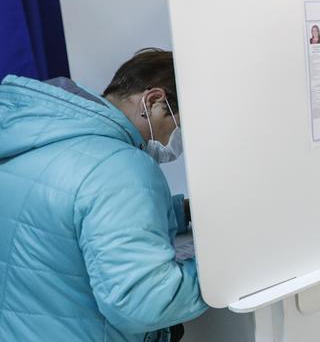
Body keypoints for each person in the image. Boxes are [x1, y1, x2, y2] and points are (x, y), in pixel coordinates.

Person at [0, 48, 208, 341]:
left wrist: (179, 211)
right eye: (179, 126)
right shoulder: (121, 166)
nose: (172, 141)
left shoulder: (31, 141)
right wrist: (221, 271)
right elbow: (144, 303)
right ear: (153, 101)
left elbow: (59, 222)